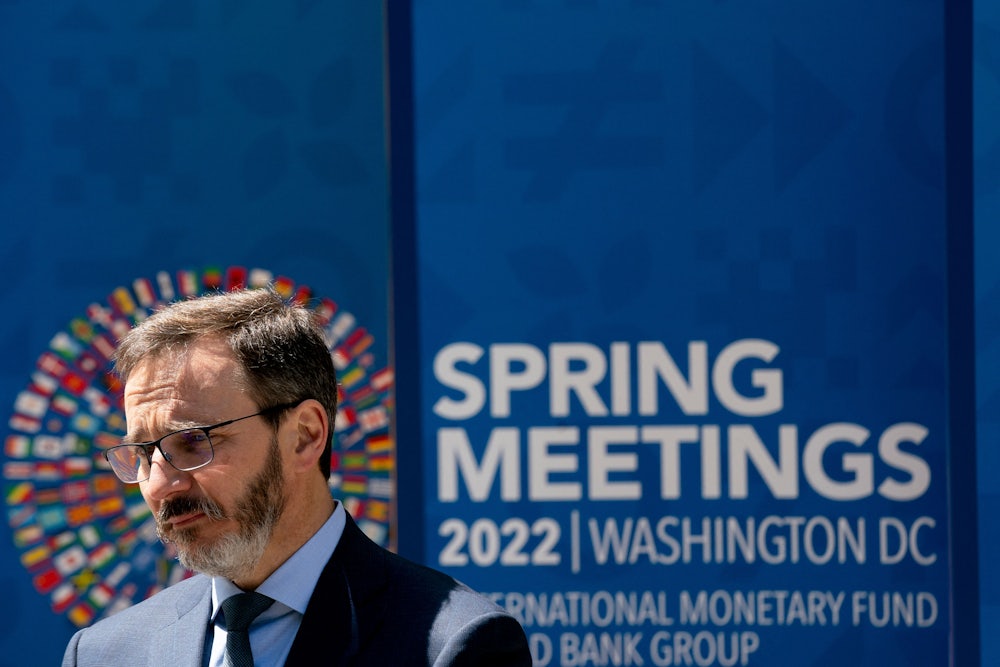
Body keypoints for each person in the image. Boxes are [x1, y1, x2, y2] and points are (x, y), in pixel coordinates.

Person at [62, 287, 532, 667]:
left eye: (194, 442)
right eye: (143, 453)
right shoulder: (104, 653)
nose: (161, 485)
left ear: (305, 436)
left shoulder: (454, 646)